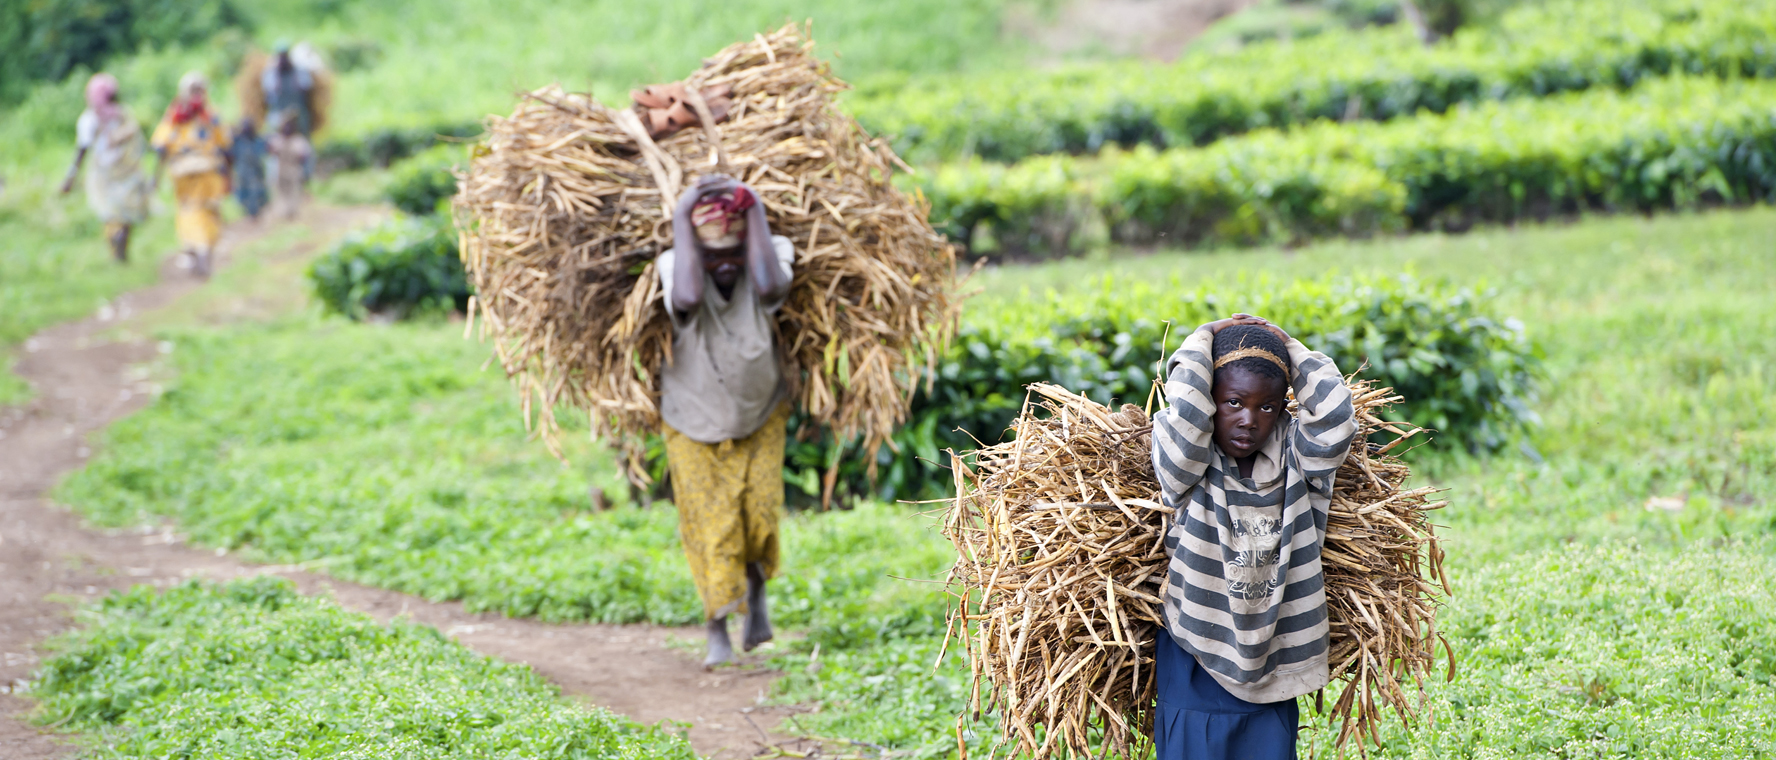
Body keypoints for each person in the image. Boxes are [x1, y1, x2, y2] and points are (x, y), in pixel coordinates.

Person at [1148, 314, 1357, 759]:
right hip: (1196, 654)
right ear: (1208, 401)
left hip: (1276, 658)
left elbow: (1336, 417)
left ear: (1283, 407)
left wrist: (1289, 346)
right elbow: (1183, 416)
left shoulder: (1298, 461)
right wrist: (1203, 337)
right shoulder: (1188, 467)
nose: (1248, 420)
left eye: (1266, 406)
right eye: (1233, 403)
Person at [656, 173, 795, 667]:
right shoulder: (677, 264)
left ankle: (755, 596)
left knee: (759, 516)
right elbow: (689, 299)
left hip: (760, 415)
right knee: (710, 525)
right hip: (690, 419)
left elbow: (767, 282)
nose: (723, 265)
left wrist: (752, 205)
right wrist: (683, 215)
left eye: (731, 254)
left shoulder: (770, 255)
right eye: (713, 255)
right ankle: (716, 624)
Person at [61, 73, 152, 263]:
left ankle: (117, 250)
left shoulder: (91, 119)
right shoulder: (122, 114)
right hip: (126, 172)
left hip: (107, 174)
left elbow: (82, 151)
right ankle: (121, 250)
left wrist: (71, 177)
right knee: (124, 214)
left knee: (111, 214)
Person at [151, 72, 232, 278]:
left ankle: (196, 248)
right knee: (200, 212)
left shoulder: (178, 116)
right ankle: (201, 250)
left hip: (198, 173)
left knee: (195, 211)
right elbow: (226, 145)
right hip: (198, 173)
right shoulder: (201, 116)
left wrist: (157, 176)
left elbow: (160, 146)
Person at [266, 111, 311, 220]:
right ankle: (284, 213)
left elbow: (304, 157)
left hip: (294, 171)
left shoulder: (298, 141)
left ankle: (292, 214)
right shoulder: (277, 140)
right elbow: (270, 152)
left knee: (294, 193)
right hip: (280, 171)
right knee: (281, 193)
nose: (287, 129)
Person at [230, 117, 269, 221]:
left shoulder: (258, 140)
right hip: (242, 173)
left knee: (256, 193)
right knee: (244, 194)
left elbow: (263, 152)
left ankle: (255, 215)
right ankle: (248, 214)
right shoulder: (237, 141)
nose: (246, 129)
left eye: (248, 126)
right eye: (244, 126)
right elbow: (231, 154)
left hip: (255, 173)